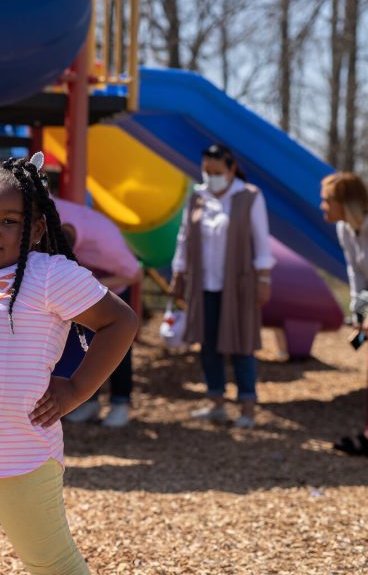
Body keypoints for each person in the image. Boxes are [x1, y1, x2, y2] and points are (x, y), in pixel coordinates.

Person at [0, 154, 138, 574]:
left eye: (9, 221)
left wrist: (76, 389)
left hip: (18, 457)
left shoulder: (50, 274)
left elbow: (120, 322)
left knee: (51, 563)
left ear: (37, 230)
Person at [169, 143, 274, 429]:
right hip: (204, 283)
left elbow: (261, 240)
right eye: (206, 171)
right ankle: (216, 401)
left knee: (241, 344)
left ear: (230, 169)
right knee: (208, 345)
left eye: (217, 171)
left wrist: (264, 278)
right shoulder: (197, 196)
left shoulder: (249, 197)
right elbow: (183, 236)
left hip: (238, 284)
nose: (211, 176)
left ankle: (248, 405)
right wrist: (178, 274)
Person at [52, 198, 143, 427]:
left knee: (117, 347)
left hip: (110, 288)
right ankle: (89, 402)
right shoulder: (50, 212)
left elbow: (134, 274)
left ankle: (120, 402)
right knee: (82, 347)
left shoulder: (106, 246)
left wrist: (94, 284)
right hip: (82, 286)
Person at [320, 171, 368, 457]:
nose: (322, 206)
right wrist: (360, 317)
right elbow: (357, 276)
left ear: (345, 202)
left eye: (327, 200)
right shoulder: (345, 229)